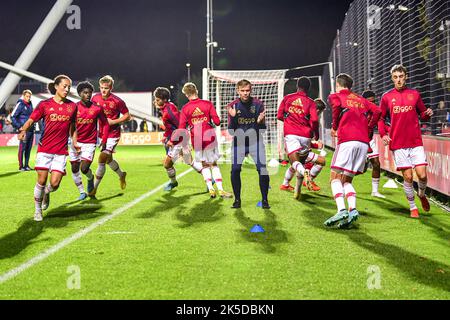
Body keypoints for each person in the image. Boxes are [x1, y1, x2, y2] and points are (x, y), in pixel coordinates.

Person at [18, 75, 78, 221]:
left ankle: (47, 192)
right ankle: (37, 211)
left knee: (55, 184)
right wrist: (23, 130)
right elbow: (32, 119)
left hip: (61, 151)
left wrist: (75, 143)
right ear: (56, 86)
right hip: (45, 149)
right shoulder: (45, 104)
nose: (67, 89)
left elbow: (72, 127)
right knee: (42, 180)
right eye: (64, 86)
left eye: (69, 87)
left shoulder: (72, 106)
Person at [324, 73, 381, 228]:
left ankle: (341, 209)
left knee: (334, 178)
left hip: (347, 141)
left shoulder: (336, 96)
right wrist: (368, 128)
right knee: (346, 180)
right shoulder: (360, 99)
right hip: (363, 143)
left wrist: (335, 126)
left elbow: (336, 107)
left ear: (338, 85)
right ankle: (353, 209)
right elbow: (377, 111)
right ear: (350, 86)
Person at [378, 65, 433, 218]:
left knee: (422, 175)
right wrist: (383, 134)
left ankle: (421, 194)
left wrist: (428, 114)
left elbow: (423, 114)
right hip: (398, 143)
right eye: (395, 77)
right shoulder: (387, 97)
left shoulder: (414, 94)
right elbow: (380, 118)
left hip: (415, 142)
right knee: (408, 177)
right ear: (392, 78)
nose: (399, 80)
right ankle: (412, 207)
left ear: (406, 76)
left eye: (401, 76)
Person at [172, 82, 232, 199]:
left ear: (185, 94)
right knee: (213, 164)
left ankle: (210, 189)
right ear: (196, 91)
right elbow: (218, 122)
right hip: (209, 137)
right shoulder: (207, 104)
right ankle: (221, 190)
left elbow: (181, 128)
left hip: (197, 138)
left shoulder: (185, 109)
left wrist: (184, 144)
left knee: (204, 165)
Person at [277, 77, 325, 200]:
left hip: (291, 134)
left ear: (297, 85)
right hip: (306, 136)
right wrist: (315, 134)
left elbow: (279, 115)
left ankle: (304, 174)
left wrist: (289, 121)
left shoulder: (288, 98)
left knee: (295, 162)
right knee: (319, 161)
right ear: (308, 88)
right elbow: (314, 120)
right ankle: (294, 188)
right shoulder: (310, 102)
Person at [227, 79, 270, 209]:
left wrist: (260, 122)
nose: (245, 93)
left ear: (251, 90)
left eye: (248, 90)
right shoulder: (233, 106)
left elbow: (263, 130)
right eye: (243, 91)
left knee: (262, 170)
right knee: (235, 170)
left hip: (255, 141)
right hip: (239, 142)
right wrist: (234, 117)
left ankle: (265, 200)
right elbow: (231, 131)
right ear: (238, 91)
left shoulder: (258, 104)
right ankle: (237, 200)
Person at [153, 87, 203, 191]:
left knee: (167, 164)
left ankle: (173, 182)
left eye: (158, 100)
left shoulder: (169, 111)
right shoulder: (167, 108)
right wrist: (166, 136)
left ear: (164, 99)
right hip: (177, 139)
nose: (155, 101)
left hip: (178, 140)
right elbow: (170, 126)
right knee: (189, 161)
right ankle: (209, 178)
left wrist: (174, 141)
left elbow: (181, 126)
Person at [89, 75, 130, 197]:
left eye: (106, 88)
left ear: (111, 87)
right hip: (101, 133)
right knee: (108, 160)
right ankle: (121, 174)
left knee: (101, 159)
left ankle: (94, 189)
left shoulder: (117, 101)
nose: (103, 90)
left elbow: (127, 115)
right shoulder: (95, 98)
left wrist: (114, 121)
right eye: (101, 87)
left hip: (113, 134)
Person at [69, 81, 109, 200]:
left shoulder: (97, 108)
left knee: (84, 168)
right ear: (80, 94)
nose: (88, 95)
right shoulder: (74, 107)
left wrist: (104, 139)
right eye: (85, 93)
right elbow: (70, 125)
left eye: (90, 93)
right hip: (74, 142)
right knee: (74, 168)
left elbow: (105, 124)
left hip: (89, 143)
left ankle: (90, 178)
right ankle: (82, 192)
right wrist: (72, 140)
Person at [280, 98, 327, 192]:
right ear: (317, 111)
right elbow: (304, 140)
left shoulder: (301, 115)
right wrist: (316, 145)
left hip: (290, 143)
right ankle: (309, 179)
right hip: (298, 147)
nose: (320, 115)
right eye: (320, 113)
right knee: (321, 161)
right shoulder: (311, 121)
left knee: (295, 165)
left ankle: (285, 184)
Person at [361, 90, 385, 198]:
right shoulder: (358, 111)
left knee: (376, 163)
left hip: (369, 140)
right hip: (358, 141)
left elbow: (381, 125)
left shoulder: (376, 112)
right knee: (358, 170)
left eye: (374, 101)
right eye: (370, 102)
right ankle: (342, 186)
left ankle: (375, 191)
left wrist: (384, 134)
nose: (372, 104)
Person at [11, 90, 34, 171]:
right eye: (27, 96)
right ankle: (21, 166)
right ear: (23, 96)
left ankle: (26, 165)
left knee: (28, 148)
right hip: (23, 130)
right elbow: (13, 116)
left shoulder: (30, 104)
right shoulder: (20, 104)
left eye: (29, 96)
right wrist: (19, 126)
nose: (28, 98)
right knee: (22, 148)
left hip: (31, 130)